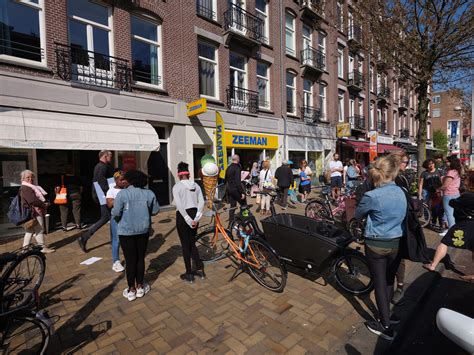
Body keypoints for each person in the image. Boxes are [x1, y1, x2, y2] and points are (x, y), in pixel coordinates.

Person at [355, 153, 407, 341]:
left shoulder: (371, 195)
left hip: (376, 243)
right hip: (396, 242)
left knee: (379, 283)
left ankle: (385, 327)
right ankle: (389, 316)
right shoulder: (402, 191)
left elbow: (358, 214)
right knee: (388, 280)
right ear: (393, 173)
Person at [111, 170, 159, 302]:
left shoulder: (122, 194)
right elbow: (155, 211)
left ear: (130, 180)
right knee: (140, 258)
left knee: (130, 260)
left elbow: (115, 212)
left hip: (126, 231)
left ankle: (131, 289)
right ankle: (140, 286)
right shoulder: (149, 194)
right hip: (143, 230)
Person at [423, 173, 473, 273]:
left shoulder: (467, 196)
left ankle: (433, 265)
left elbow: (452, 203)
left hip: (465, 224)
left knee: (445, 242)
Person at [172, 162, 205, 283]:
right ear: (189, 173)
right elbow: (201, 202)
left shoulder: (176, 187)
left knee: (185, 245)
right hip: (194, 213)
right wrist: (196, 218)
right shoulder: (196, 185)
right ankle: (200, 269)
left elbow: (179, 205)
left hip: (182, 216)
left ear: (178, 174)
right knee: (192, 242)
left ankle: (189, 273)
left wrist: (187, 219)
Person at [78, 150, 114, 252]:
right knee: (107, 217)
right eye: (110, 156)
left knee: (109, 217)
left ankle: (113, 241)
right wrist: (112, 192)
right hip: (104, 196)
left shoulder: (102, 166)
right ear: (105, 156)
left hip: (103, 195)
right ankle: (84, 237)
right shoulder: (101, 167)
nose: (111, 158)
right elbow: (102, 184)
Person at [19, 170, 55, 254]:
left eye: (32, 177)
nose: (30, 179)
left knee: (30, 230)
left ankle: (25, 249)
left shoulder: (30, 186)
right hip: (35, 211)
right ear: (23, 178)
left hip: (32, 211)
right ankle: (42, 248)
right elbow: (32, 200)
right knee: (39, 229)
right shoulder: (26, 187)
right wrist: (43, 204)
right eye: (28, 177)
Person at [106, 170, 126, 273]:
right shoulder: (111, 191)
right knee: (116, 240)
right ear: (116, 180)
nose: (123, 181)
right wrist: (121, 199)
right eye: (121, 180)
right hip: (116, 219)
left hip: (127, 218)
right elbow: (109, 204)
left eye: (124, 179)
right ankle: (116, 261)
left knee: (126, 239)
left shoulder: (127, 189)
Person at [437, 156, 462, 236]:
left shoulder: (451, 172)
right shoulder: (457, 171)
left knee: (449, 213)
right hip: (456, 193)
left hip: (449, 194)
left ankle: (451, 231)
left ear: (452, 162)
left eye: (448, 161)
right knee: (454, 213)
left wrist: (438, 189)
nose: (446, 163)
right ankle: (454, 230)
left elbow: (445, 185)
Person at [55, 166, 83, 232]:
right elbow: (81, 188)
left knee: (64, 211)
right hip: (76, 194)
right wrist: (79, 193)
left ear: (65, 171)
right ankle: (78, 225)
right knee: (77, 210)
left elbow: (57, 188)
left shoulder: (62, 178)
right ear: (73, 171)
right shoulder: (77, 177)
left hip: (64, 195)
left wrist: (57, 194)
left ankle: (64, 227)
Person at [418, 159, 442, 230]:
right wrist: (420, 194)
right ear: (426, 165)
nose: (431, 165)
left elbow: (442, 182)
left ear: (434, 164)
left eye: (432, 163)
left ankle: (439, 222)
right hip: (427, 190)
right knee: (426, 206)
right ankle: (427, 221)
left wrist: (441, 191)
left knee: (438, 207)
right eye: (429, 164)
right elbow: (421, 184)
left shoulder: (438, 172)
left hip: (437, 191)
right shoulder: (424, 173)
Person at [225, 155, 246, 224]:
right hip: (235, 189)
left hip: (229, 189)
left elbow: (226, 179)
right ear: (238, 159)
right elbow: (238, 182)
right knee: (243, 204)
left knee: (232, 206)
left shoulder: (228, 167)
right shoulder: (237, 168)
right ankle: (245, 220)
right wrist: (242, 192)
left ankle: (230, 223)